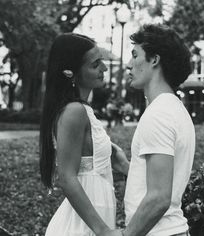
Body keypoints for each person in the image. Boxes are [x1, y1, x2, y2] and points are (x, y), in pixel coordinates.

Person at [107, 24, 196, 236]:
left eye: (135, 55)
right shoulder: (174, 108)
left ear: (154, 60)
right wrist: (128, 167)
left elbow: (159, 197)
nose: (129, 64)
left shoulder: (159, 114)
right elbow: (164, 182)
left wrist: (125, 235)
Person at [39, 33, 129, 236]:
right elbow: (67, 177)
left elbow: (92, 156)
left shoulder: (84, 110)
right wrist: (103, 231)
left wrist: (123, 164)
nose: (104, 69)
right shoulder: (74, 111)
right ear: (70, 72)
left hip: (94, 219)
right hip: (82, 227)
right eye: (95, 64)